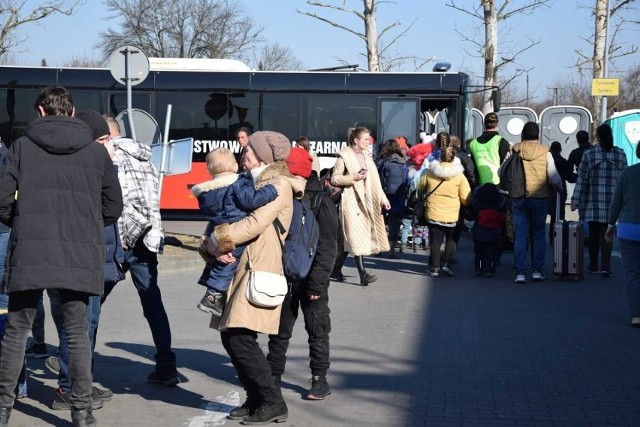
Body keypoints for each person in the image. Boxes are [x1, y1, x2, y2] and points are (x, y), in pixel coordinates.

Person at [0, 86, 123, 427]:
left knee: (16, 331)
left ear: (40, 111)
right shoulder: (96, 153)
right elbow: (114, 206)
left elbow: (1, 200)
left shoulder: (21, 147)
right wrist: (86, 224)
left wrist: (21, 221)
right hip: (77, 252)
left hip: (30, 249)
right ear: (71, 112)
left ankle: (2, 408)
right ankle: (81, 411)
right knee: (76, 333)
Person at [209, 131, 303, 425]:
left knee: (240, 338)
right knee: (232, 336)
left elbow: (253, 224)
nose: (242, 154)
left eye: (247, 151)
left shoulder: (278, 185)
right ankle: (256, 398)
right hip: (240, 266)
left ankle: (273, 401)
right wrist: (210, 243)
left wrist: (217, 240)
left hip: (258, 268)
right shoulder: (253, 182)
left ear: (263, 156)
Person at [46, 110, 124, 411]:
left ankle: (80, 384)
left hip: (89, 256)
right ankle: (69, 388)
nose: (109, 146)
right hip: (83, 257)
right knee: (79, 325)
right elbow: (110, 208)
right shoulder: (89, 166)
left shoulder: (88, 163)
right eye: (105, 140)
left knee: (83, 324)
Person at [102, 115, 179, 386]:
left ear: (108, 135)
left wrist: (120, 236)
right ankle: (167, 366)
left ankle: (78, 364)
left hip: (123, 240)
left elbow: (118, 201)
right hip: (147, 239)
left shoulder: (113, 157)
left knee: (92, 301)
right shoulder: (145, 157)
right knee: (152, 302)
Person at [267, 147, 338, 401]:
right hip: (285, 276)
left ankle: (320, 380)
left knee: (317, 330)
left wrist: (317, 285)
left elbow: (329, 247)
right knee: (278, 331)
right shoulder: (282, 197)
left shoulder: (321, 201)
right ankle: (272, 377)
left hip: (311, 281)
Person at [191, 147, 278, 316]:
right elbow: (251, 200)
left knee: (219, 260)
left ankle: (211, 289)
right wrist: (271, 191)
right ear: (234, 166)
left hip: (218, 229)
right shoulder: (236, 183)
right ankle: (213, 296)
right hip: (235, 228)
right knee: (229, 261)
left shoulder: (206, 192)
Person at [330, 127, 390, 286]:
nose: (368, 142)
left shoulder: (367, 157)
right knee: (356, 237)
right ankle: (363, 274)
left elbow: (376, 182)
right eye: (365, 139)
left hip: (367, 201)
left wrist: (383, 199)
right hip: (350, 202)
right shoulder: (344, 156)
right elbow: (335, 179)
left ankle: (335, 271)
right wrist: (353, 177)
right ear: (356, 140)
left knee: (349, 242)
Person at [508, 122, 563, 284]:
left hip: (519, 197)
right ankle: (538, 271)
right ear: (538, 136)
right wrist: (559, 189)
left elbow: (502, 171)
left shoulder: (515, 150)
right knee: (538, 235)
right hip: (539, 198)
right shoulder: (546, 152)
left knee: (521, 235)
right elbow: (553, 177)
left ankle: (520, 272)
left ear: (522, 135)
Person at [572, 123, 627, 277]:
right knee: (608, 233)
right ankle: (606, 265)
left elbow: (582, 179)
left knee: (594, 234)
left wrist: (575, 200)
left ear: (597, 137)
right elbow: (624, 180)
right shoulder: (620, 155)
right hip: (613, 202)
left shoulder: (589, 154)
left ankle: (593, 264)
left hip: (593, 201)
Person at [417, 145, 471, 276]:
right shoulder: (459, 176)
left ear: (440, 157)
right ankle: (447, 263)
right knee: (451, 239)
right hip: (452, 213)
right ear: (454, 159)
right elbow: (465, 198)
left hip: (433, 211)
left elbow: (420, 188)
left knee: (436, 240)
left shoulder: (430, 172)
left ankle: (435, 268)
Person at [605, 140, 640, 327]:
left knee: (633, 273)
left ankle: (636, 315)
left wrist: (611, 224)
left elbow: (616, 202)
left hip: (628, 229)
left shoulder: (628, 173)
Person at [376, 139, 410, 258]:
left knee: (379, 220)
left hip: (382, 194)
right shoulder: (403, 162)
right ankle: (392, 248)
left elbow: (377, 178)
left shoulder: (381, 162)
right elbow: (406, 180)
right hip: (398, 196)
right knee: (394, 222)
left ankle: (379, 248)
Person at [469, 183, 506, 277]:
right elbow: (502, 220)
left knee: (479, 253)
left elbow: (471, 218)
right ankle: (489, 269)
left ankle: (479, 268)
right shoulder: (498, 209)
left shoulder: (478, 208)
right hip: (493, 234)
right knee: (491, 253)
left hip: (478, 233)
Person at [468, 112, 511, 185]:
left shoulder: (473, 143)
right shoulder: (501, 141)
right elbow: (506, 164)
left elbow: (471, 166)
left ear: (484, 124)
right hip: (497, 183)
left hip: (479, 184)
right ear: (497, 124)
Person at [547, 141, 576, 242]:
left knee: (548, 214)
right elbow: (570, 175)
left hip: (546, 191)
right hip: (560, 191)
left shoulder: (546, 159)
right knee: (559, 215)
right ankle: (557, 237)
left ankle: (549, 236)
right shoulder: (562, 161)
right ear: (560, 150)